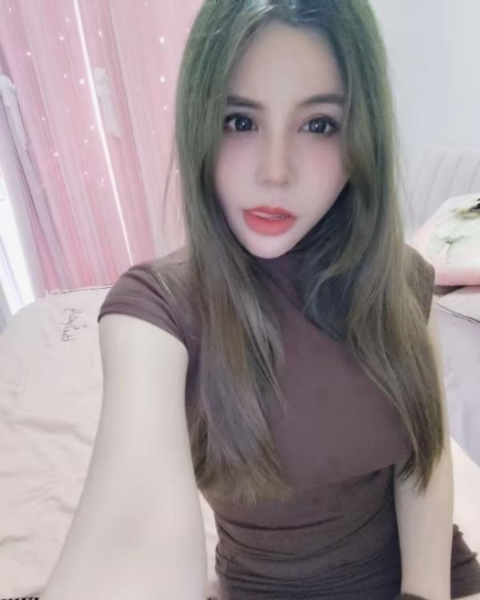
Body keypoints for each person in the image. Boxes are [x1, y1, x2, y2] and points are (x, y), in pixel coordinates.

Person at [42, 1, 480, 600]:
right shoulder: (156, 312)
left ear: (360, 137)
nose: (276, 171)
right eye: (240, 121)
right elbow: (132, 525)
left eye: (318, 124)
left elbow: (422, 465)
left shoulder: (400, 280)